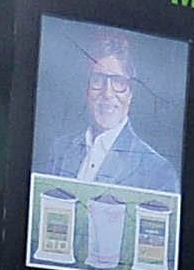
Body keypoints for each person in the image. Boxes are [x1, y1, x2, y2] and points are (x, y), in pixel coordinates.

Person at [34, 28, 178, 193]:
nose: (107, 93)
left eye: (118, 82)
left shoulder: (158, 171)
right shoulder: (60, 149)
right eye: (98, 80)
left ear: (130, 92)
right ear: (87, 89)